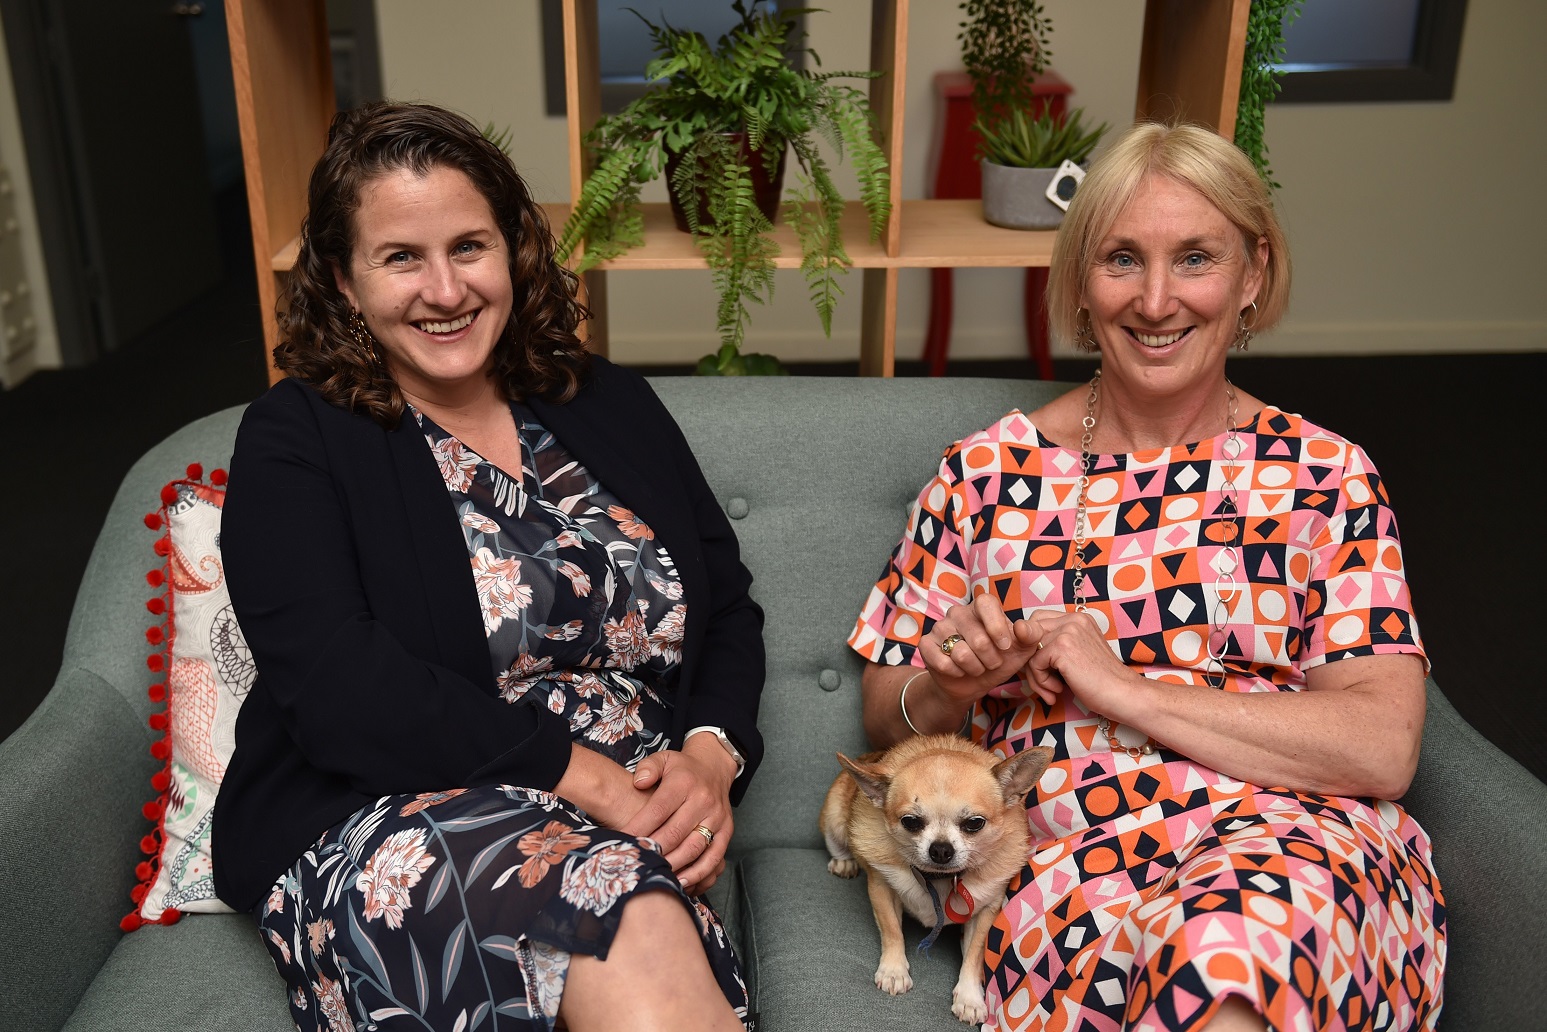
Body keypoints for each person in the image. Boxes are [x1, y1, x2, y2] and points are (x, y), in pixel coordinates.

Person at [848, 122, 1443, 1032]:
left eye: (1195, 258)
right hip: (1068, 859)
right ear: (1082, 285)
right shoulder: (984, 474)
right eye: (1122, 259)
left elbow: (1380, 746)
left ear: (1251, 274)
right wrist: (947, 687)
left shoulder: (1326, 475)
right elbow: (885, 710)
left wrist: (1123, 691)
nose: (1156, 300)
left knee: (1233, 946)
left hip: (1297, 845)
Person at [211, 102, 764, 1032]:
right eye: (399, 258)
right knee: (628, 924)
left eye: (469, 247)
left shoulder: (607, 401)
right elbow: (340, 690)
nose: (444, 289)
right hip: (398, 812)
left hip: (633, 818)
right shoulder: (295, 437)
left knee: (632, 910)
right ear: (344, 283)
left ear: (513, 252)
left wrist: (709, 758)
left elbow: (728, 605)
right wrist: (584, 778)